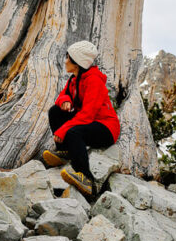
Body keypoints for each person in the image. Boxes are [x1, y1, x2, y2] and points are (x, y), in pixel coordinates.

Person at [42, 41, 120, 196]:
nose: (65, 61)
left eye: (68, 58)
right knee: (55, 111)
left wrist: (64, 129)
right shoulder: (74, 79)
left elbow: (87, 115)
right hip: (90, 122)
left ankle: (86, 178)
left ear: (76, 63)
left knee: (73, 132)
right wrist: (65, 100)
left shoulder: (94, 81)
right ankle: (65, 151)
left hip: (106, 128)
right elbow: (63, 94)